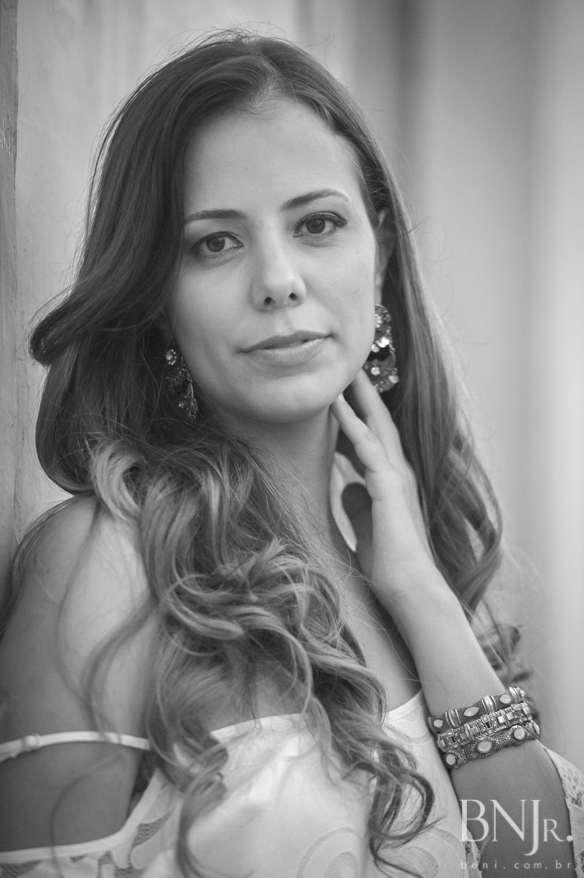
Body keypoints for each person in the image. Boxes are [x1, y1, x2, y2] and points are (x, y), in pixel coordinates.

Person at [0, 30, 582, 878]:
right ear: (157, 299)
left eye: (317, 223)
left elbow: (537, 865)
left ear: (379, 258)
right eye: (214, 242)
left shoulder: (402, 573)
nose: (278, 279)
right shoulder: (109, 562)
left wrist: (422, 593)